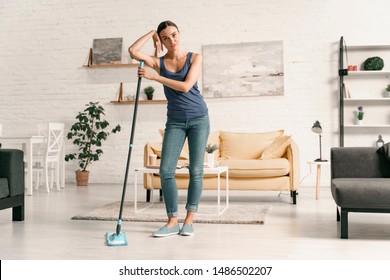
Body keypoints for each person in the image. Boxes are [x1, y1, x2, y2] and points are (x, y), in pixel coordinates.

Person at [129, 20, 210, 237]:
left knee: (196, 170)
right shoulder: (159, 61)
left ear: (179, 34)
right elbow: (133, 51)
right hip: (174, 121)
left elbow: (185, 87)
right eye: (165, 37)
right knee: (166, 171)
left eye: (174, 35)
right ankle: (172, 220)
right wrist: (150, 33)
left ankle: (189, 220)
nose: (171, 40)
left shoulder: (195, 58)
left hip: (198, 119)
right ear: (161, 40)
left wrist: (155, 77)